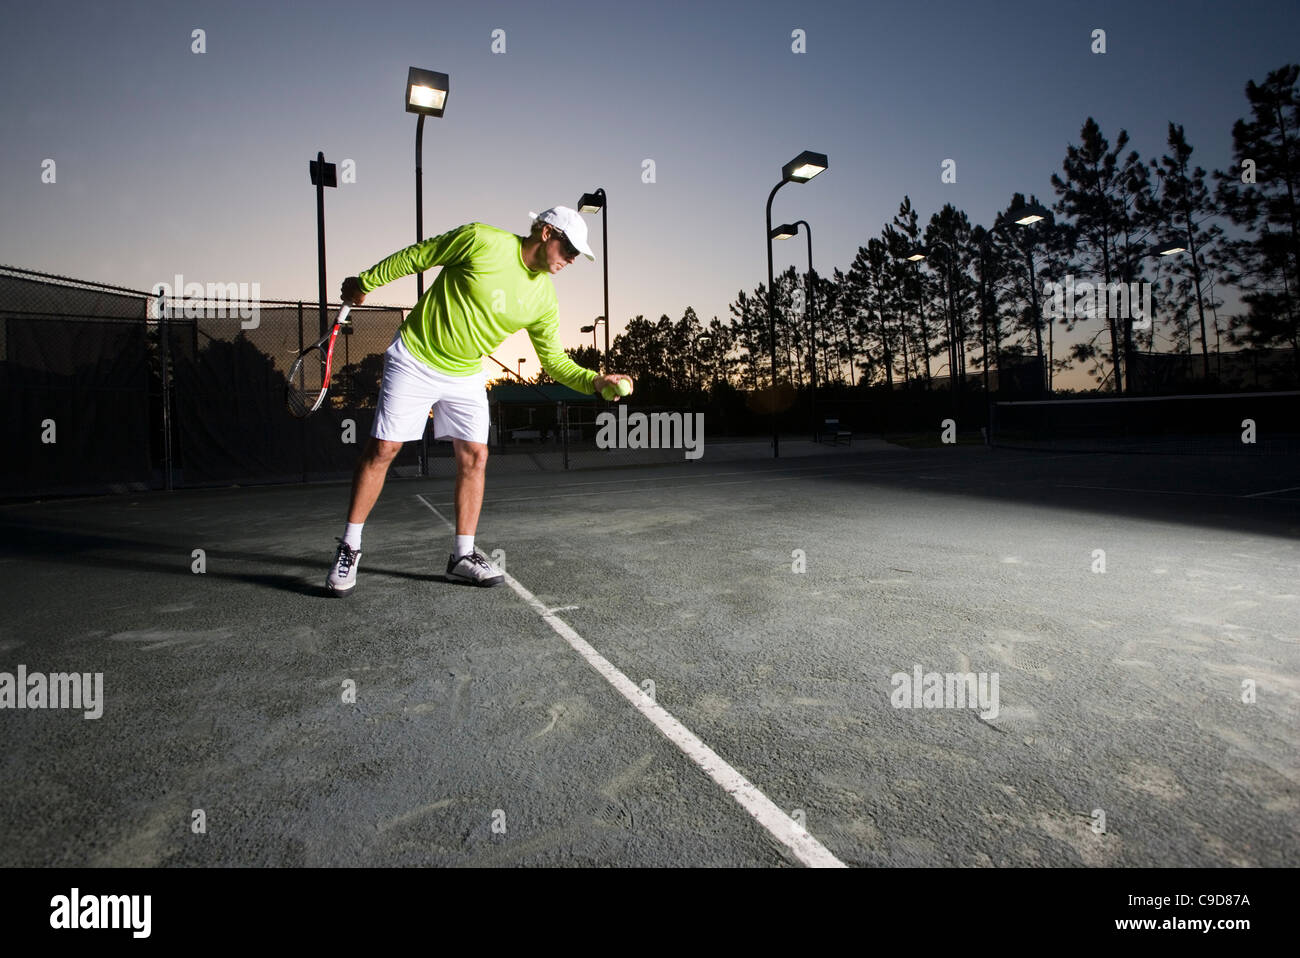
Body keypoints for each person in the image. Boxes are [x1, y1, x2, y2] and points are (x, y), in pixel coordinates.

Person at [326, 207, 631, 596]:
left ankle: (462, 557)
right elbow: (420, 255)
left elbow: (554, 361)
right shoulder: (481, 239)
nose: (572, 259)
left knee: (475, 456)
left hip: (467, 371)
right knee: (383, 449)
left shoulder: (544, 300)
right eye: (569, 249)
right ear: (546, 232)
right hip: (416, 356)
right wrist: (367, 280)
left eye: (576, 255)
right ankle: (350, 546)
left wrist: (595, 380)